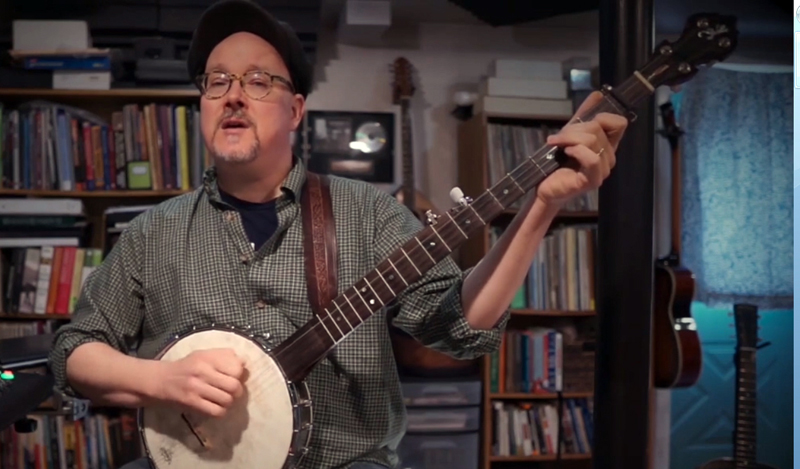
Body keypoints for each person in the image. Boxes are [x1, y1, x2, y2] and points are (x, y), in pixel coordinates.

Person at [48, 0, 628, 468]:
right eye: (216, 80)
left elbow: (461, 330)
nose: (232, 94)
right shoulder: (154, 234)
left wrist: (539, 210)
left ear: (296, 110)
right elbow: (73, 354)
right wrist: (161, 379)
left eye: (257, 80)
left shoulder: (367, 215)